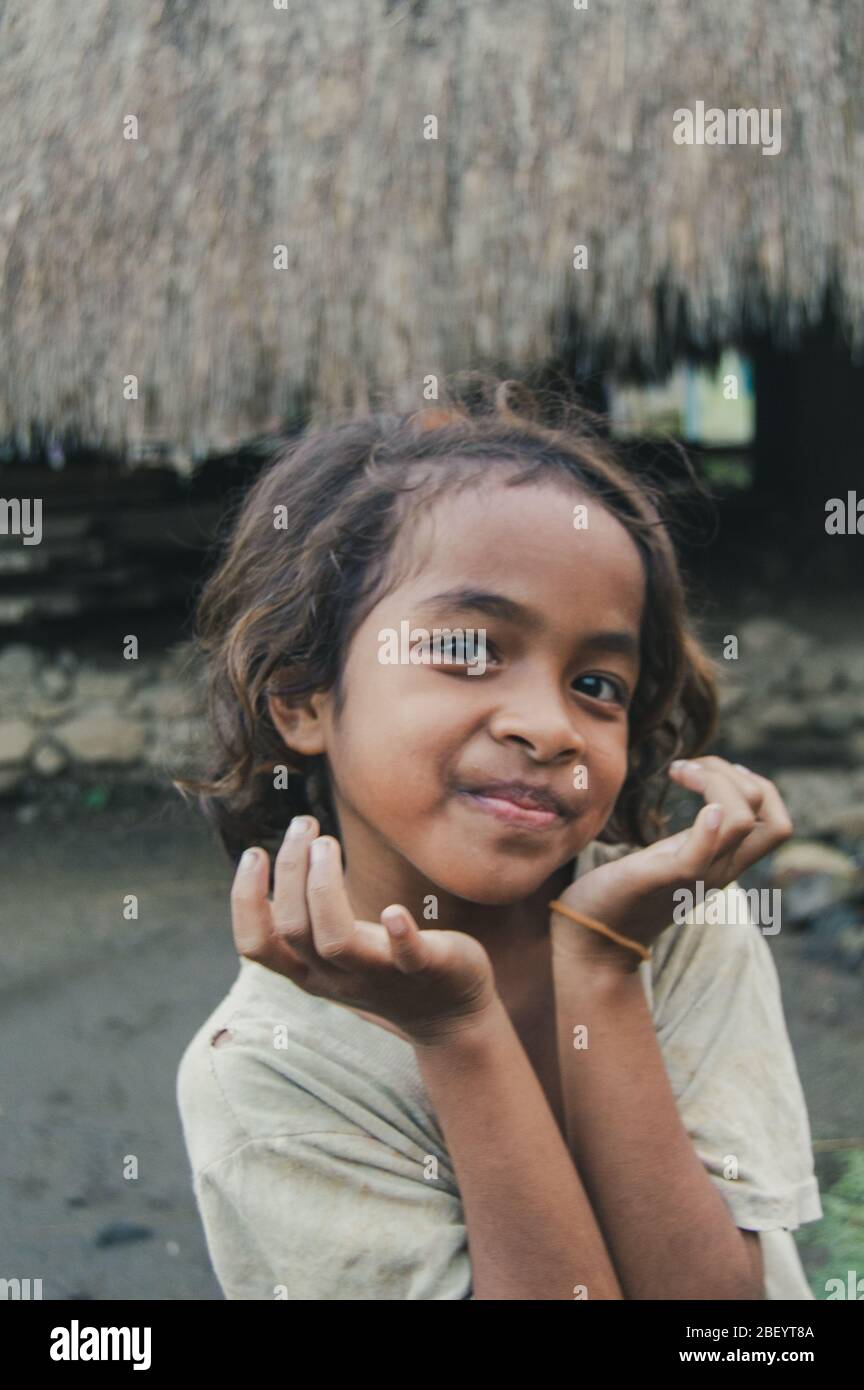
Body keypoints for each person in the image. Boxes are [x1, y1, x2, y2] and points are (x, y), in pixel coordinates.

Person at [175, 378, 822, 1300]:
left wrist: (603, 963)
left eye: (598, 685)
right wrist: (456, 1032)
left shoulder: (679, 934)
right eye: (470, 651)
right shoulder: (272, 1070)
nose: (550, 727)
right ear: (303, 696)